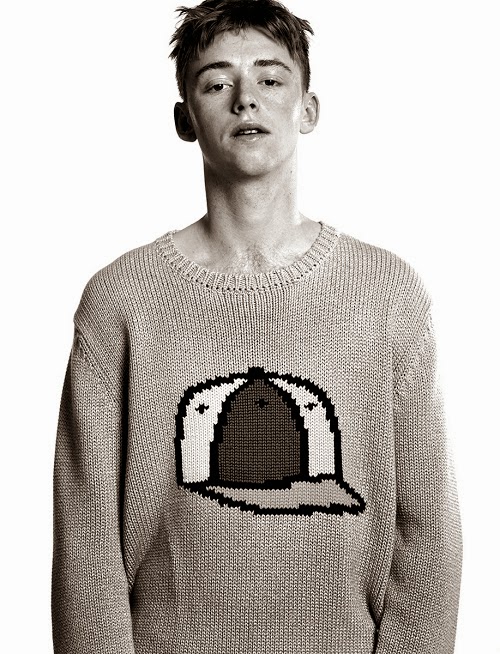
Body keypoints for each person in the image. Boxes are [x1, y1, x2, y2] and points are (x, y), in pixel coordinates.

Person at [51, 0, 462, 652]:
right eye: (217, 83)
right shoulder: (119, 301)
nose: (246, 98)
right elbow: (86, 544)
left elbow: (429, 532)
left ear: (309, 108)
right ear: (185, 118)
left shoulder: (388, 293)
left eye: (270, 79)